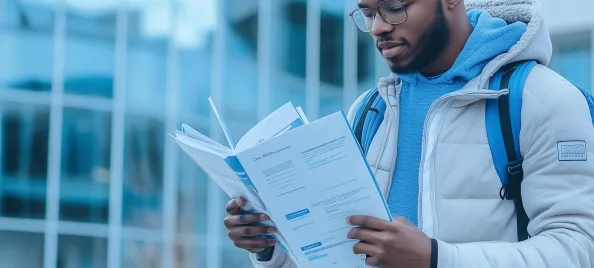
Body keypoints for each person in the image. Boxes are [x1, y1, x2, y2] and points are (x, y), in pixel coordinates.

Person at [223, 0, 594, 267]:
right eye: (367, 13)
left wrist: (436, 259)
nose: (378, 27)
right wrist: (271, 248)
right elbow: (340, 252)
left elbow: (578, 250)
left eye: (394, 7)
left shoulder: (544, 99)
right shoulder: (369, 110)